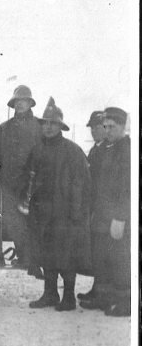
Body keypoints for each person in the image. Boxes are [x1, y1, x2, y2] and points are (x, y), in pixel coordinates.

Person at [23, 98, 91, 311]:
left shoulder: (73, 151)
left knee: (66, 255)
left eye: (53, 123)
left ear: (61, 126)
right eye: (45, 123)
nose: (48, 127)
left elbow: (83, 183)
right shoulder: (37, 150)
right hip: (41, 212)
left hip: (64, 213)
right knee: (45, 254)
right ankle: (50, 294)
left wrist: (76, 213)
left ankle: (68, 297)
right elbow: (28, 179)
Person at [81, 107, 131, 316]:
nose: (108, 131)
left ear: (123, 127)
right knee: (102, 257)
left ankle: (126, 302)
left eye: (112, 127)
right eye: (106, 127)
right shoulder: (104, 150)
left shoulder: (127, 150)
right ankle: (103, 297)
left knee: (120, 260)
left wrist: (121, 216)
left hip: (118, 217)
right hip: (101, 214)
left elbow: (128, 188)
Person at [0, 85, 42, 277]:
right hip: (9, 184)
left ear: (30, 103)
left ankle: (35, 260)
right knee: (13, 222)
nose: (20, 104)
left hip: (33, 184)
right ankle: (23, 257)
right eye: (17, 101)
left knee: (34, 222)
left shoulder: (40, 127)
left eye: (24, 100)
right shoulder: (3, 129)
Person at [78, 110, 107, 302]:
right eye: (92, 128)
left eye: (98, 127)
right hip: (93, 206)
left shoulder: (108, 150)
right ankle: (97, 288)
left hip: (103, 208)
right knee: (96, 250)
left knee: (103, 252)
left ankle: (103, 292)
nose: (94, 131)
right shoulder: (96, 149)